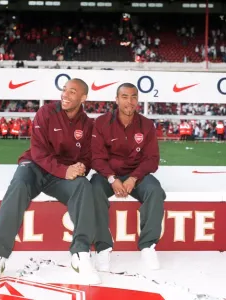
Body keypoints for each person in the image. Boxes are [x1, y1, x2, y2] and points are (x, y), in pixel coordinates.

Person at [0, 78, 101, 288]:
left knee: (84, 186)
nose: (65, 94)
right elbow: (38, 151)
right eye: (64, 90)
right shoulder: (46, 112)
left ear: (84, 97)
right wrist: (65, 170)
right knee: (18, 184)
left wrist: (81, 168)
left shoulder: (88, 124)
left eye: (73, 92)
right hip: (36, 166)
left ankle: (80, 253)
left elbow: (89, 156)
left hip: (61, 175)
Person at [91, 82, 166, 272]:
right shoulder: (100, 123)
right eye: (125, 97)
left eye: (133, 97)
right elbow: (96, 157)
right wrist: (111, 178)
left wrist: (133, 178)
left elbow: (152, 159)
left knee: (155, 191)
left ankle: (148, 246)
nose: (130, 101)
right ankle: (102, 247)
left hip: (136, 174)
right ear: (116, 100)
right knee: (93, 190)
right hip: (108, 174)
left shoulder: (147, 125)